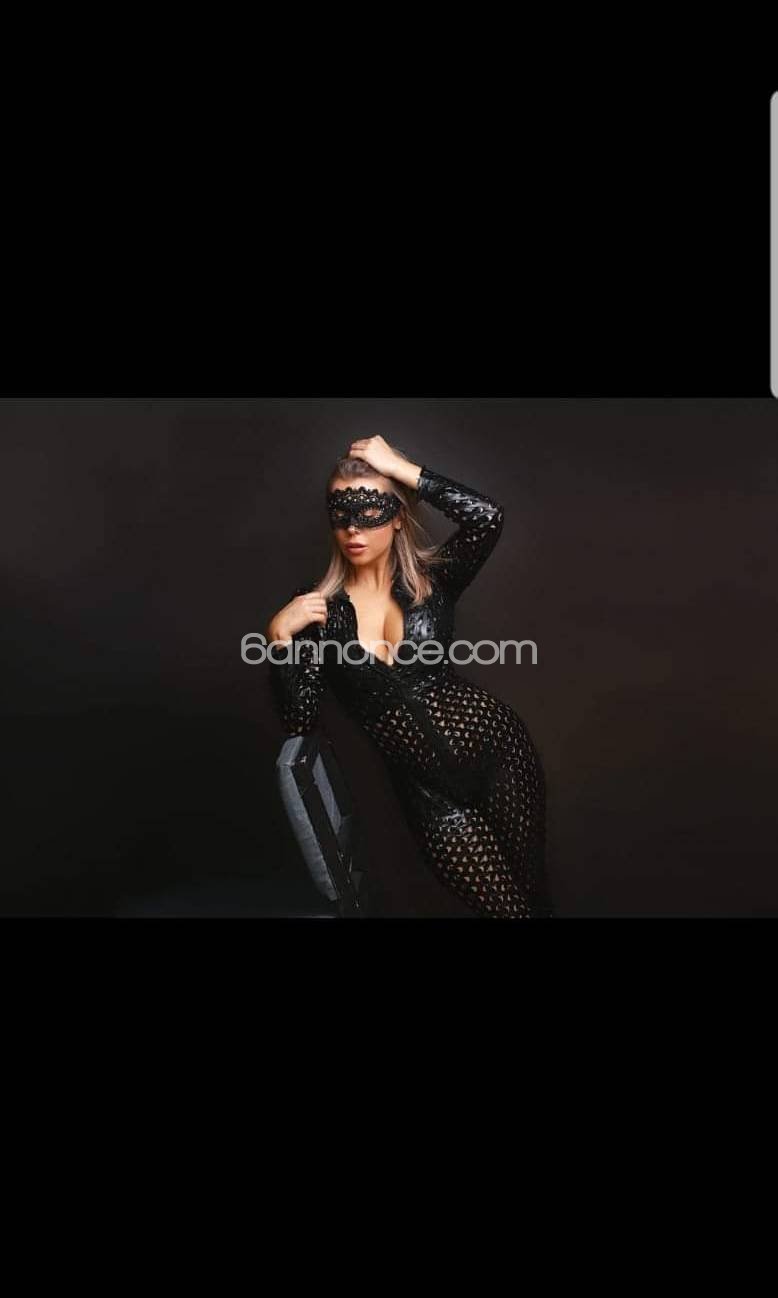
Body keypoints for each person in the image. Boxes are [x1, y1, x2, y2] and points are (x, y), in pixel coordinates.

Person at [265, 435, 554, 919]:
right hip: (434, 802)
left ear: (397, 516)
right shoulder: (315, 609)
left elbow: (487, 518)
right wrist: (279, 638)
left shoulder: (434, 580)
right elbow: (300, 718)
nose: (353, 529)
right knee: (511, 913)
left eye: (369, 513)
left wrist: (401, 467)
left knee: (535, 900)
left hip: (501, 755)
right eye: (341, 515)